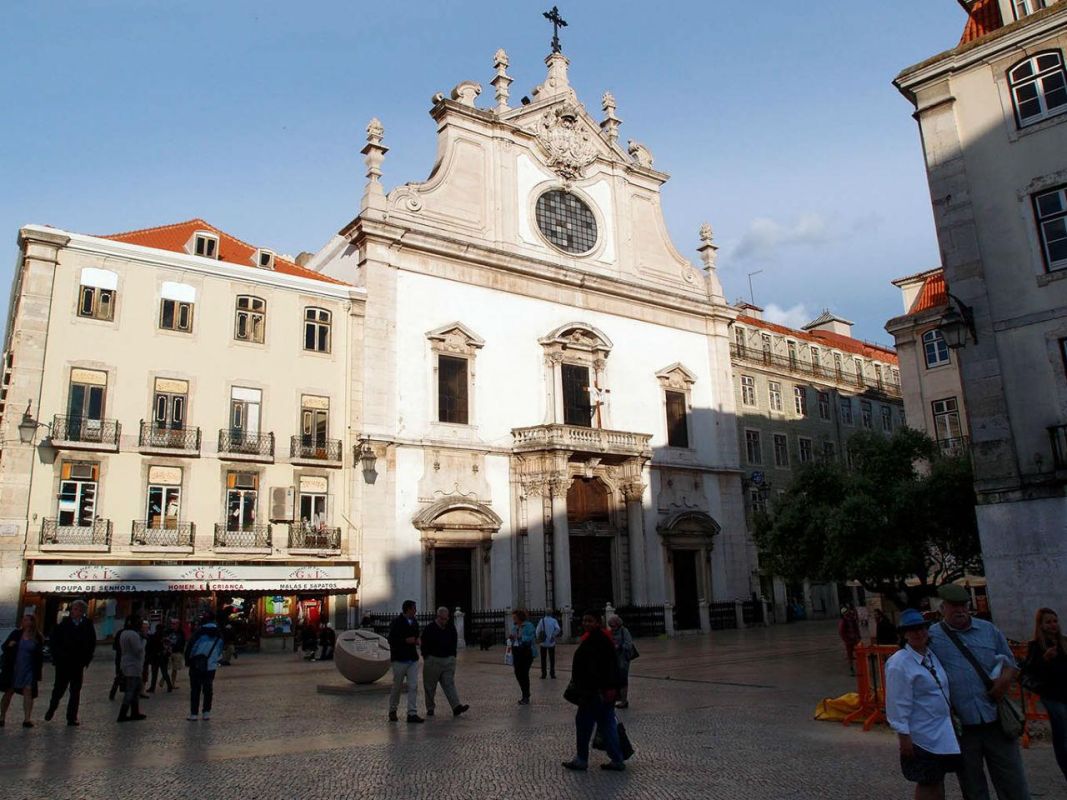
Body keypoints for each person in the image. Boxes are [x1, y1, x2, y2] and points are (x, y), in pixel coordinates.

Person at [928, 584, 1030, 800]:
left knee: (1013, 783)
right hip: (963, 728)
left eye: (964, 606)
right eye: (954, 606)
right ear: (942, 608)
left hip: (996, 722)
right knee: (973, 788)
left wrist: (1003, 682)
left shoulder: (988, 630)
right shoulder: (933, 637)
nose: (960, 611)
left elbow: (1011, 663)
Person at [885, 608, 961, 800]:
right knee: (928, 782)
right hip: (921, 735)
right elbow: (896, 703)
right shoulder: (899, 663)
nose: (918, 633)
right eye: (912, 630)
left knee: (937, 780)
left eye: (921, 629)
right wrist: (904, 737)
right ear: (904, 634)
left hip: (941, 731)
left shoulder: (930, 655)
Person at [562, 609, 625, 772]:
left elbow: (609, 665)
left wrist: (610, 687)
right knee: (607, 723)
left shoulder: (600, 640)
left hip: (594, 692)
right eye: (584, 620)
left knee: (584, 723)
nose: (586, 623)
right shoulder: (595, 639)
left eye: (590, 620)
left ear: (598, 622)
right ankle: (617, 759)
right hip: (599, 690)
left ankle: (582, 759)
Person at [1022, 607, 1067, 782]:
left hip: (1066, 691)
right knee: (1062, 733)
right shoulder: (1036, 646)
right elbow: (1030, 671)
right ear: (1040, 625)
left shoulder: (1064, 642)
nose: (1053, 625)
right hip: (1052, 694)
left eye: (1055, 621)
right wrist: (1045, 659)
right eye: (1048, 622)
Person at [43, 599, 96, 726]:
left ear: (82, 612)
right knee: (59, 689)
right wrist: (57, 657)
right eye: (73, 609)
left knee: (75, 690)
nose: (74, 611)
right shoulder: (63, 624)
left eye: (77, 609)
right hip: (64, 663)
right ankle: (52, 708)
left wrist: (86, 659)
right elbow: (54, 641)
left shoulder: (87, 624)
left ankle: (71, 717)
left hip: (78, 663)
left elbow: (91, 642)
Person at [420, 606, 469, 718]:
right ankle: (430, 708)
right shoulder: (429, 628)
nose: (445, 621)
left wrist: (453, 656)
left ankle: (456, 707)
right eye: (443, 619)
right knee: (430, 686)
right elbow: (424, 643)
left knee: (449, 684)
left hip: (448, 660)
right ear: (438, 617)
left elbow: (454, 641)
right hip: (433, 660)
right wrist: (426, 657)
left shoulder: (450, 627)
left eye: (446, 619)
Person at [0, 614, 44, 728]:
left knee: (28, 691)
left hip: (29, 668)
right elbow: (4, 647)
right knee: (9, 692)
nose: (24, 622)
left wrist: (38, 672)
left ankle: (27, 719)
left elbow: (39, 655)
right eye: (23, 620)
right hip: (14, 668)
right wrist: (10, 645)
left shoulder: (37, 637)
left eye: (26, 620)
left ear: (32, 622)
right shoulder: (16, 634)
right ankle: (2, 716)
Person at [387, 600, 423, 723]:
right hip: (399, 659)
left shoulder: (414, 622)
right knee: (397, 686)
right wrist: (405, 641)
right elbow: (391, 639)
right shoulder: (396, 622)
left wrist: (417, 640)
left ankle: (412, 713)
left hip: (412, 658)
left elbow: (416, 635)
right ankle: (392, 710)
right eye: (414, 608)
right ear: (408, 609)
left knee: (413, 686)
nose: (416, 611)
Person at [185, 612, 223, 721]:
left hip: (197, 664)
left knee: (195, 689)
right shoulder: (218, 633)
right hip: (211, 666)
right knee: (208, 689)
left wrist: (189, 660)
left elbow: (191, 648)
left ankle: (194, 714)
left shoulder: (199, 633)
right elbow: (220, 648)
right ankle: (206, 712)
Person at [116, 614, 147, 722]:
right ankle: (123, 714)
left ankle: (135, 712)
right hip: (133, 665)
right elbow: (138, 650)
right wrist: (143, 641)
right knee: (131, 690)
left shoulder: (123, 633)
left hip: (126, 663)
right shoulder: (133, 635)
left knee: (136, 690)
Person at [509, 608, 537, 705]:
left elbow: (532, 637)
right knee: (517, 673)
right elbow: (512, 637)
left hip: (527, 652)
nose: (513, 619)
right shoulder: (514, 627)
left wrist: (521, 637)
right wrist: (511, 638)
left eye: (515, 617)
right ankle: (524, 692)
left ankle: (526, 696)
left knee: (524, 673)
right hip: (517, 651)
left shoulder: (529, 626)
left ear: (520, 617)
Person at [608, 614, 635, 709]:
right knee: (616, 679)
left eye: (613, 626)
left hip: (623, 659)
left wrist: (619, 646)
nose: (612, 628)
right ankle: (618, 698)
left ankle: (624, 701)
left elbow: (629, 644)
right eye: (610, 626)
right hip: (614, 660)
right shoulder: (610, 632)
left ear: (618, 624)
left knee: (623, 679)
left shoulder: (624, 631)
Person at [147, 623, 172, 692]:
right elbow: (168, 647)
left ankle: (152, 687)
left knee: (155, 673)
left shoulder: (154, 636)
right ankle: (169, 686)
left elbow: (150, 647)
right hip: (162, 657)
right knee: (164, 672)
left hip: (156, 657)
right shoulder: (165, 637)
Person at [537, 611, 561, 680]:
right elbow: (558, 629)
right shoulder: (554, 620)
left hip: (543, 642)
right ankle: (552, 674)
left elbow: (537, 630)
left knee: (543, 659)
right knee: (552, 659)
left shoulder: (542, 621)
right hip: (551, 642)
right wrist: (553, 635)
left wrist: (538, 637)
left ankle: (543, 674)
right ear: (551, 614)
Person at [838, 606, 861, 676]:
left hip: (855, 639)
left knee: (859, 653)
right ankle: (852, 669)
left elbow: (856, 628)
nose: (847, 613)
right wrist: (847, 640)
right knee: (850, 655)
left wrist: (858, 636)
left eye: (847, 612)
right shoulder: (843, 622)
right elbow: (841, 632)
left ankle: (859, 668)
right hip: (849, 641)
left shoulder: (852, 619)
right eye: (845, 613)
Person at [165, 619, 186, 690]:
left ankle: (172, 683)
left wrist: (181, 650)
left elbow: (183, 642)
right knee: (166, 668)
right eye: (172, 624)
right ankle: (165, 680)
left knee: (175, 668)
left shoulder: (181, 632)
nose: (173, 625)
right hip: (168, 652)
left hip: (177, 652)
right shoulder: (168, 631)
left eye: (175, 624)